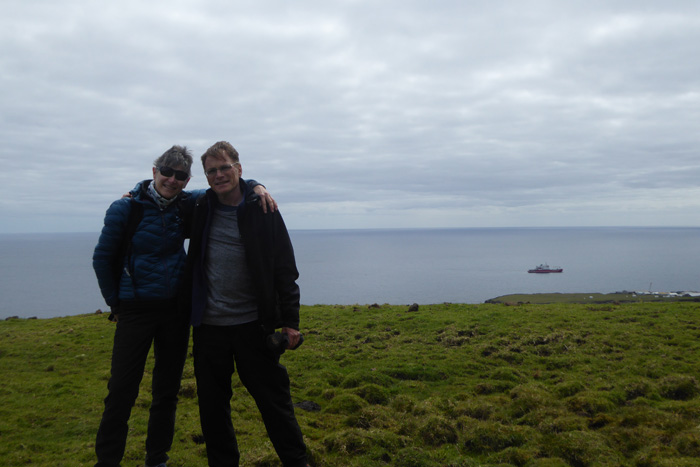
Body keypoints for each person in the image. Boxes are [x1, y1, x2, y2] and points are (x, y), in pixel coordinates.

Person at [92, 145, 275, 467]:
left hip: (174, 310)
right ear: (154, 172)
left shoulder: (188, 204)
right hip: (135, 309)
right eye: (167, 172)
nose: (172, 180)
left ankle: (157, 459)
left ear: (187, 179)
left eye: (180, 175)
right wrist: (115, 303)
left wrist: (256, 185)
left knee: (166, 391)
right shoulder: (125, 208)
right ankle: (107, 461)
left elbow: (226, 183)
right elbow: (102, 259)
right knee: (121, 390)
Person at [184, 141, 309, 467]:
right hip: (209, 328)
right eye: (211, 170)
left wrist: (290, 321)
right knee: (212, 410)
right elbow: (164, 195)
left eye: (225, 167)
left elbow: (285, 267)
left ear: (239, 168)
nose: (219, 174)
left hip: (255, 326)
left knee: (274, 404)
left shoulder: (263, 208)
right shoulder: (200, 207)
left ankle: (297, 462)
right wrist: (132, 194)